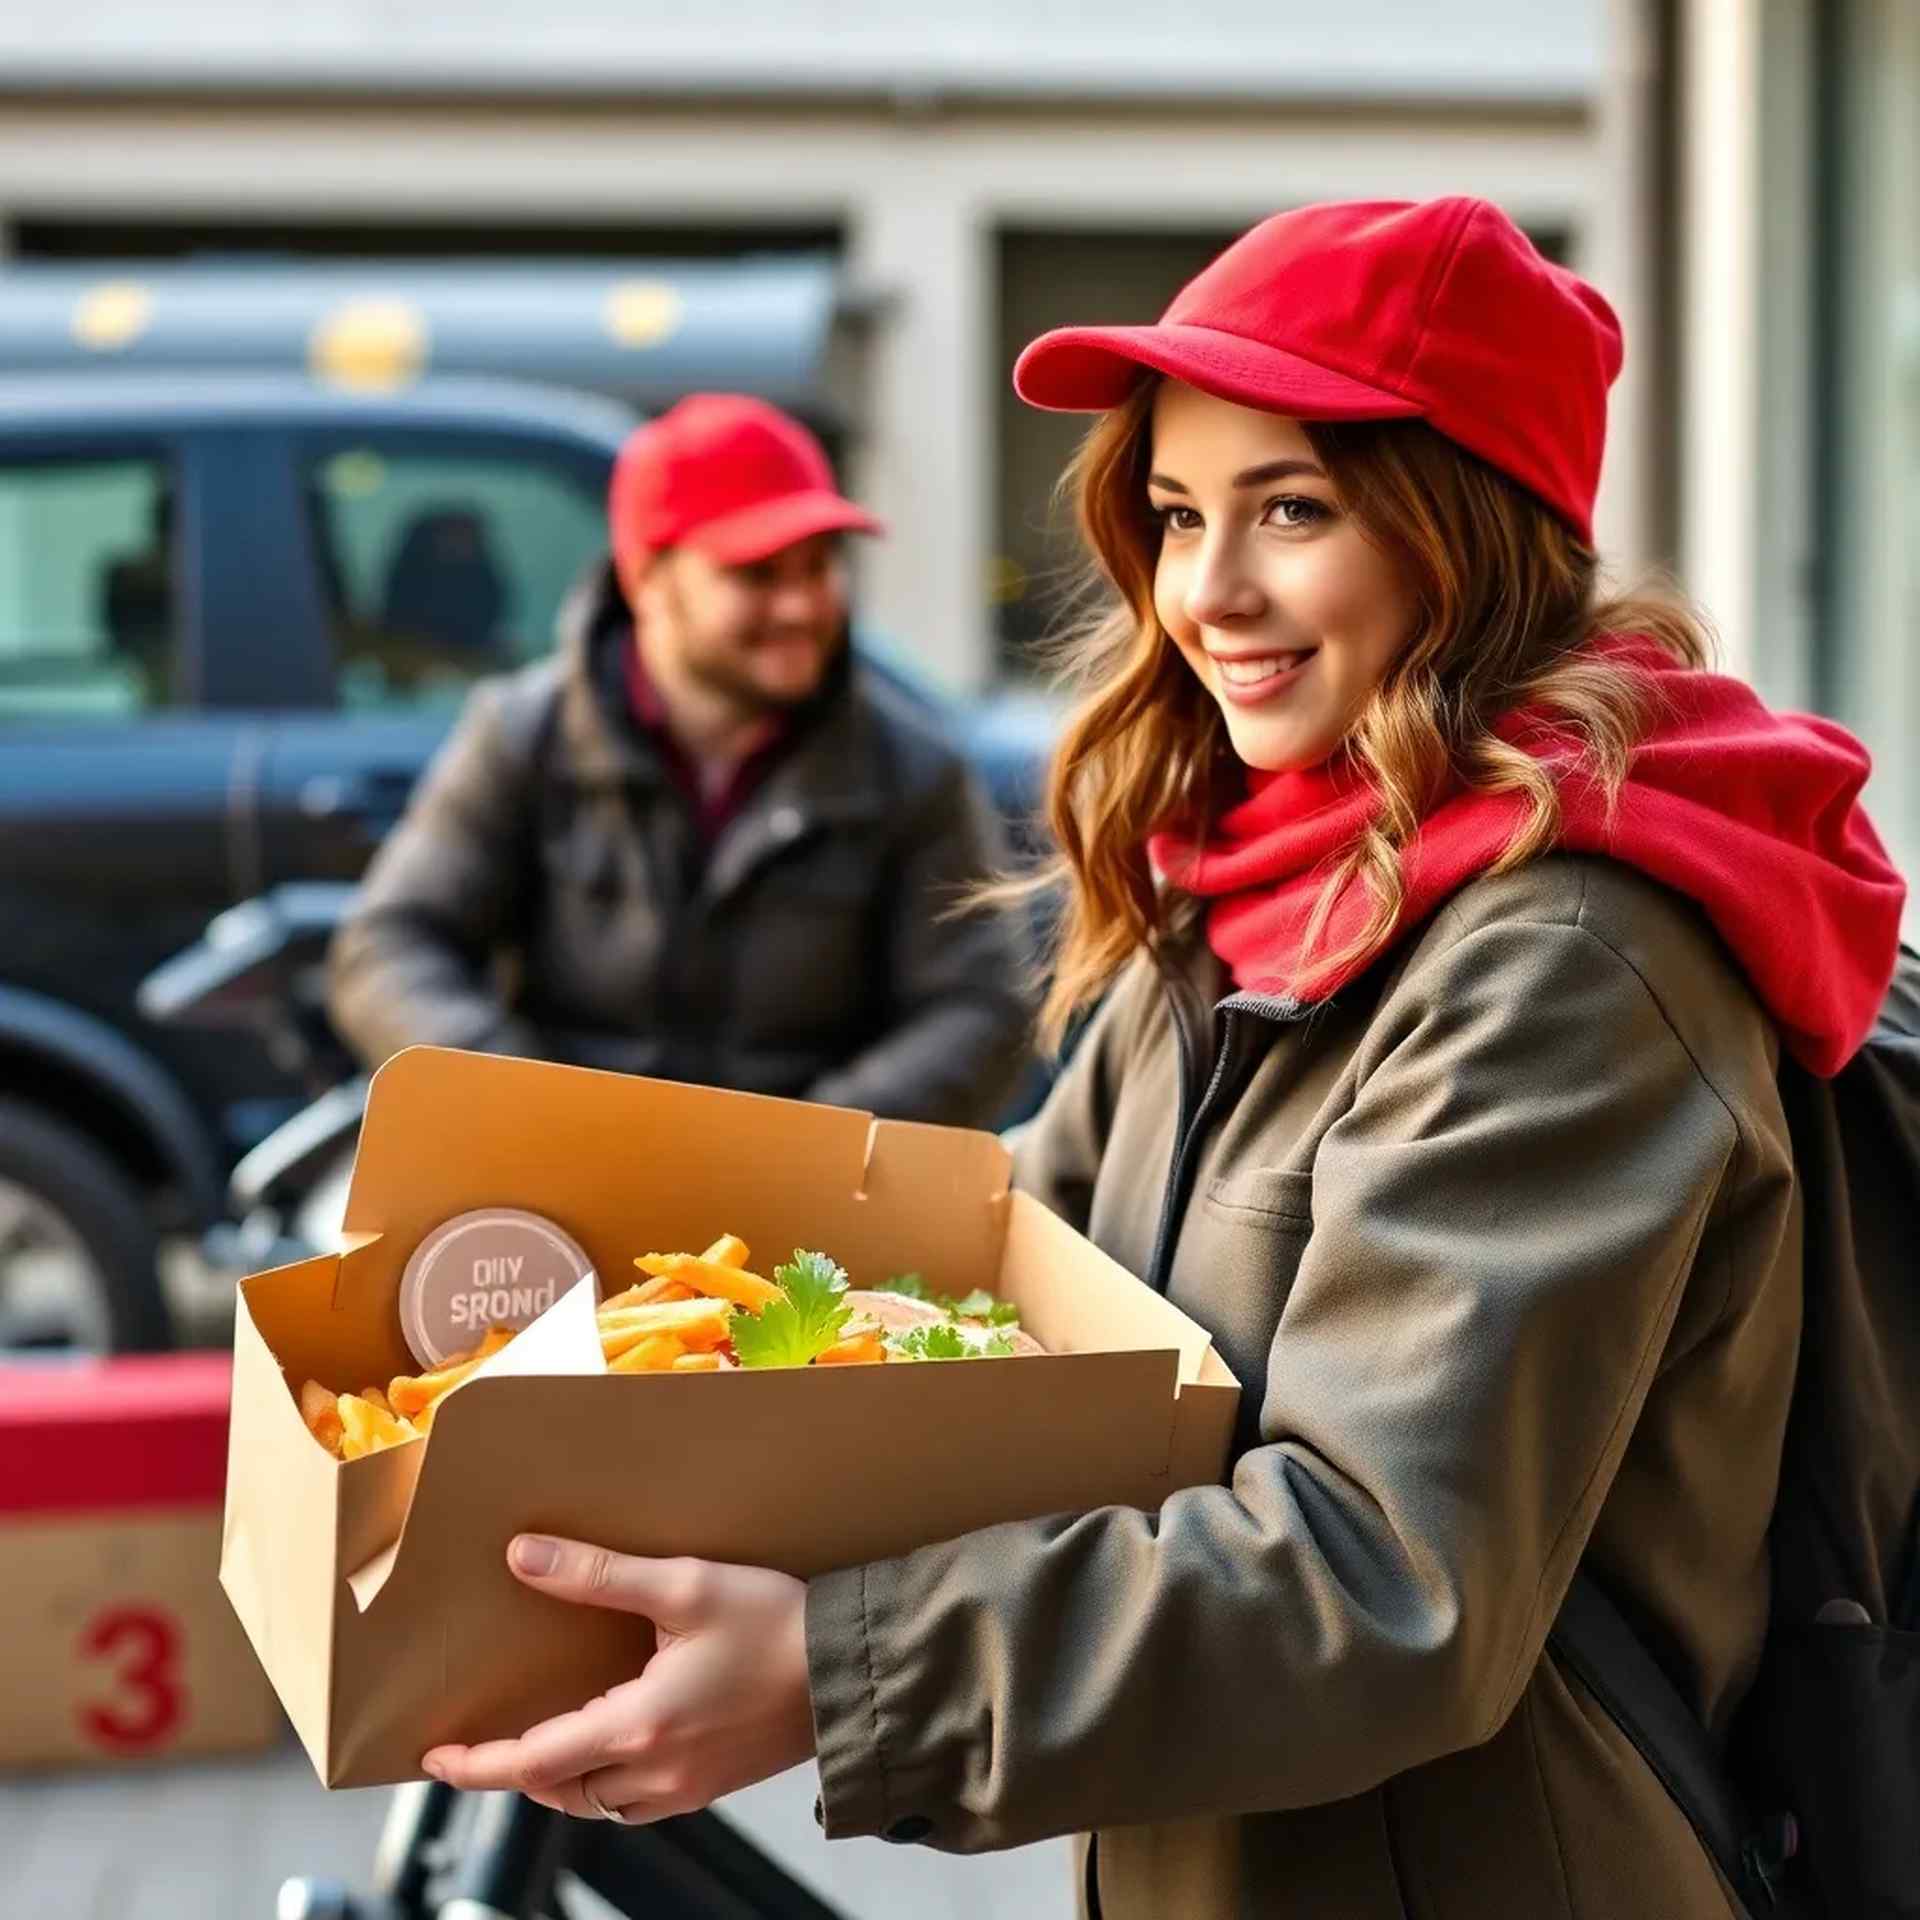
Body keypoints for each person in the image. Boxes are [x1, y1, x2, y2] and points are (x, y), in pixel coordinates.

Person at [414, 201, 1908, 1917]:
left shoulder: (1560, 958)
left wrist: (840, 1676)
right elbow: (1003, 1302)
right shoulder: (1258, 882)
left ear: (1467, 526)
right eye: (1180, 513)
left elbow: (1383, 1583)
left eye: (1293, 509)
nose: (1207, 591)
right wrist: (594, 1405)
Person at [329, 393, 1031, 1128]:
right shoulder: (522, 734)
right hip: (564, 1177)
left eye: (819, 567)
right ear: (646, 583)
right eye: (757, 575)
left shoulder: (912, 767)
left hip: (806, 1215)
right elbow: (387, 946)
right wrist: (523, 1107)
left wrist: (802, 1147)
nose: (801, 606)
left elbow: (984, 1006)